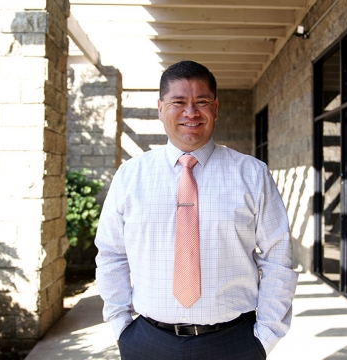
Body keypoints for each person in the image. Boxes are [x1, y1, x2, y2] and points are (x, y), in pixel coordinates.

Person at [94, 60, 298, 359]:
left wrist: (265, 336)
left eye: (201, 102)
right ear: (160, 108)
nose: (191, 112)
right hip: (148, 342)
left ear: (215, 108)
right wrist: (121, 327)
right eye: (178, 102)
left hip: (234, 343)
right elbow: (112, 254)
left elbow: (278, 257)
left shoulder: (252, 174)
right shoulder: (130, 176)